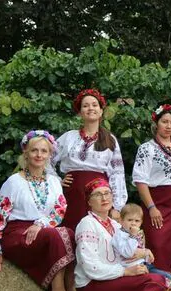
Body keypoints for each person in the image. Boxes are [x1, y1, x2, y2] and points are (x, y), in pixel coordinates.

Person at [75, 178, 170, 291]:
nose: (104, 198)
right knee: (156, 282)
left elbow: (127, 251)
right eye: (97, 194)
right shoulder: (87, 224)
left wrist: (144, 251)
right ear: (89, 201)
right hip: (91, 286)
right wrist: (126, 272)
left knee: (159, 279)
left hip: (112, 279)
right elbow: (90, 267)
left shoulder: (115, 224)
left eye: (107, 193)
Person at [0, 130, 77, 291]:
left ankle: (70, 282)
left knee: (68, 232)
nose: (39, 155)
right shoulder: (14, 182)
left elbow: (60, 210)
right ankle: (57, 288)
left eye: (44, 151)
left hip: (42, 230)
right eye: (34, 150)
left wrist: (40, 224)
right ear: (26, 153)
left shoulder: (53, 181)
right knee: (56, 234)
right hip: (17, 234)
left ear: (50, 155)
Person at [52, 89, 127, 229]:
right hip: (72, 193)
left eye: (94, 105)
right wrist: (56, 179)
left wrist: (117, 206)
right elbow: (46, 158)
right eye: (85, 105)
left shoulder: (109, 140)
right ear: (80, 112)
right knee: (71, 230)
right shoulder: (69, 137)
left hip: (100, 196)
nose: (90, 108)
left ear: (100, 111)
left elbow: (117, 173)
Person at [132, 104, 171, 280]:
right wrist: (151, 207)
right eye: (164, 121)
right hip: (158, 202)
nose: (168, 126)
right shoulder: (147, 148)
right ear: (156, 123)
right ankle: (156, 288)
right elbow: (140, 180)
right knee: (157, 243)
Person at [116, 203, 171, 290]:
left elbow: (139, 248)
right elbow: (127, 253)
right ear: (121, 221)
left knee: (168, 276)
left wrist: (146, 254)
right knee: (165, 278)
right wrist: (132, 236)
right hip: (133, 268)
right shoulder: (120, 235)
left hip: (144, 264)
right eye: (129, 220)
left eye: (137, 221)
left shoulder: (137, 233)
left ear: (141, 222)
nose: (133, 223)